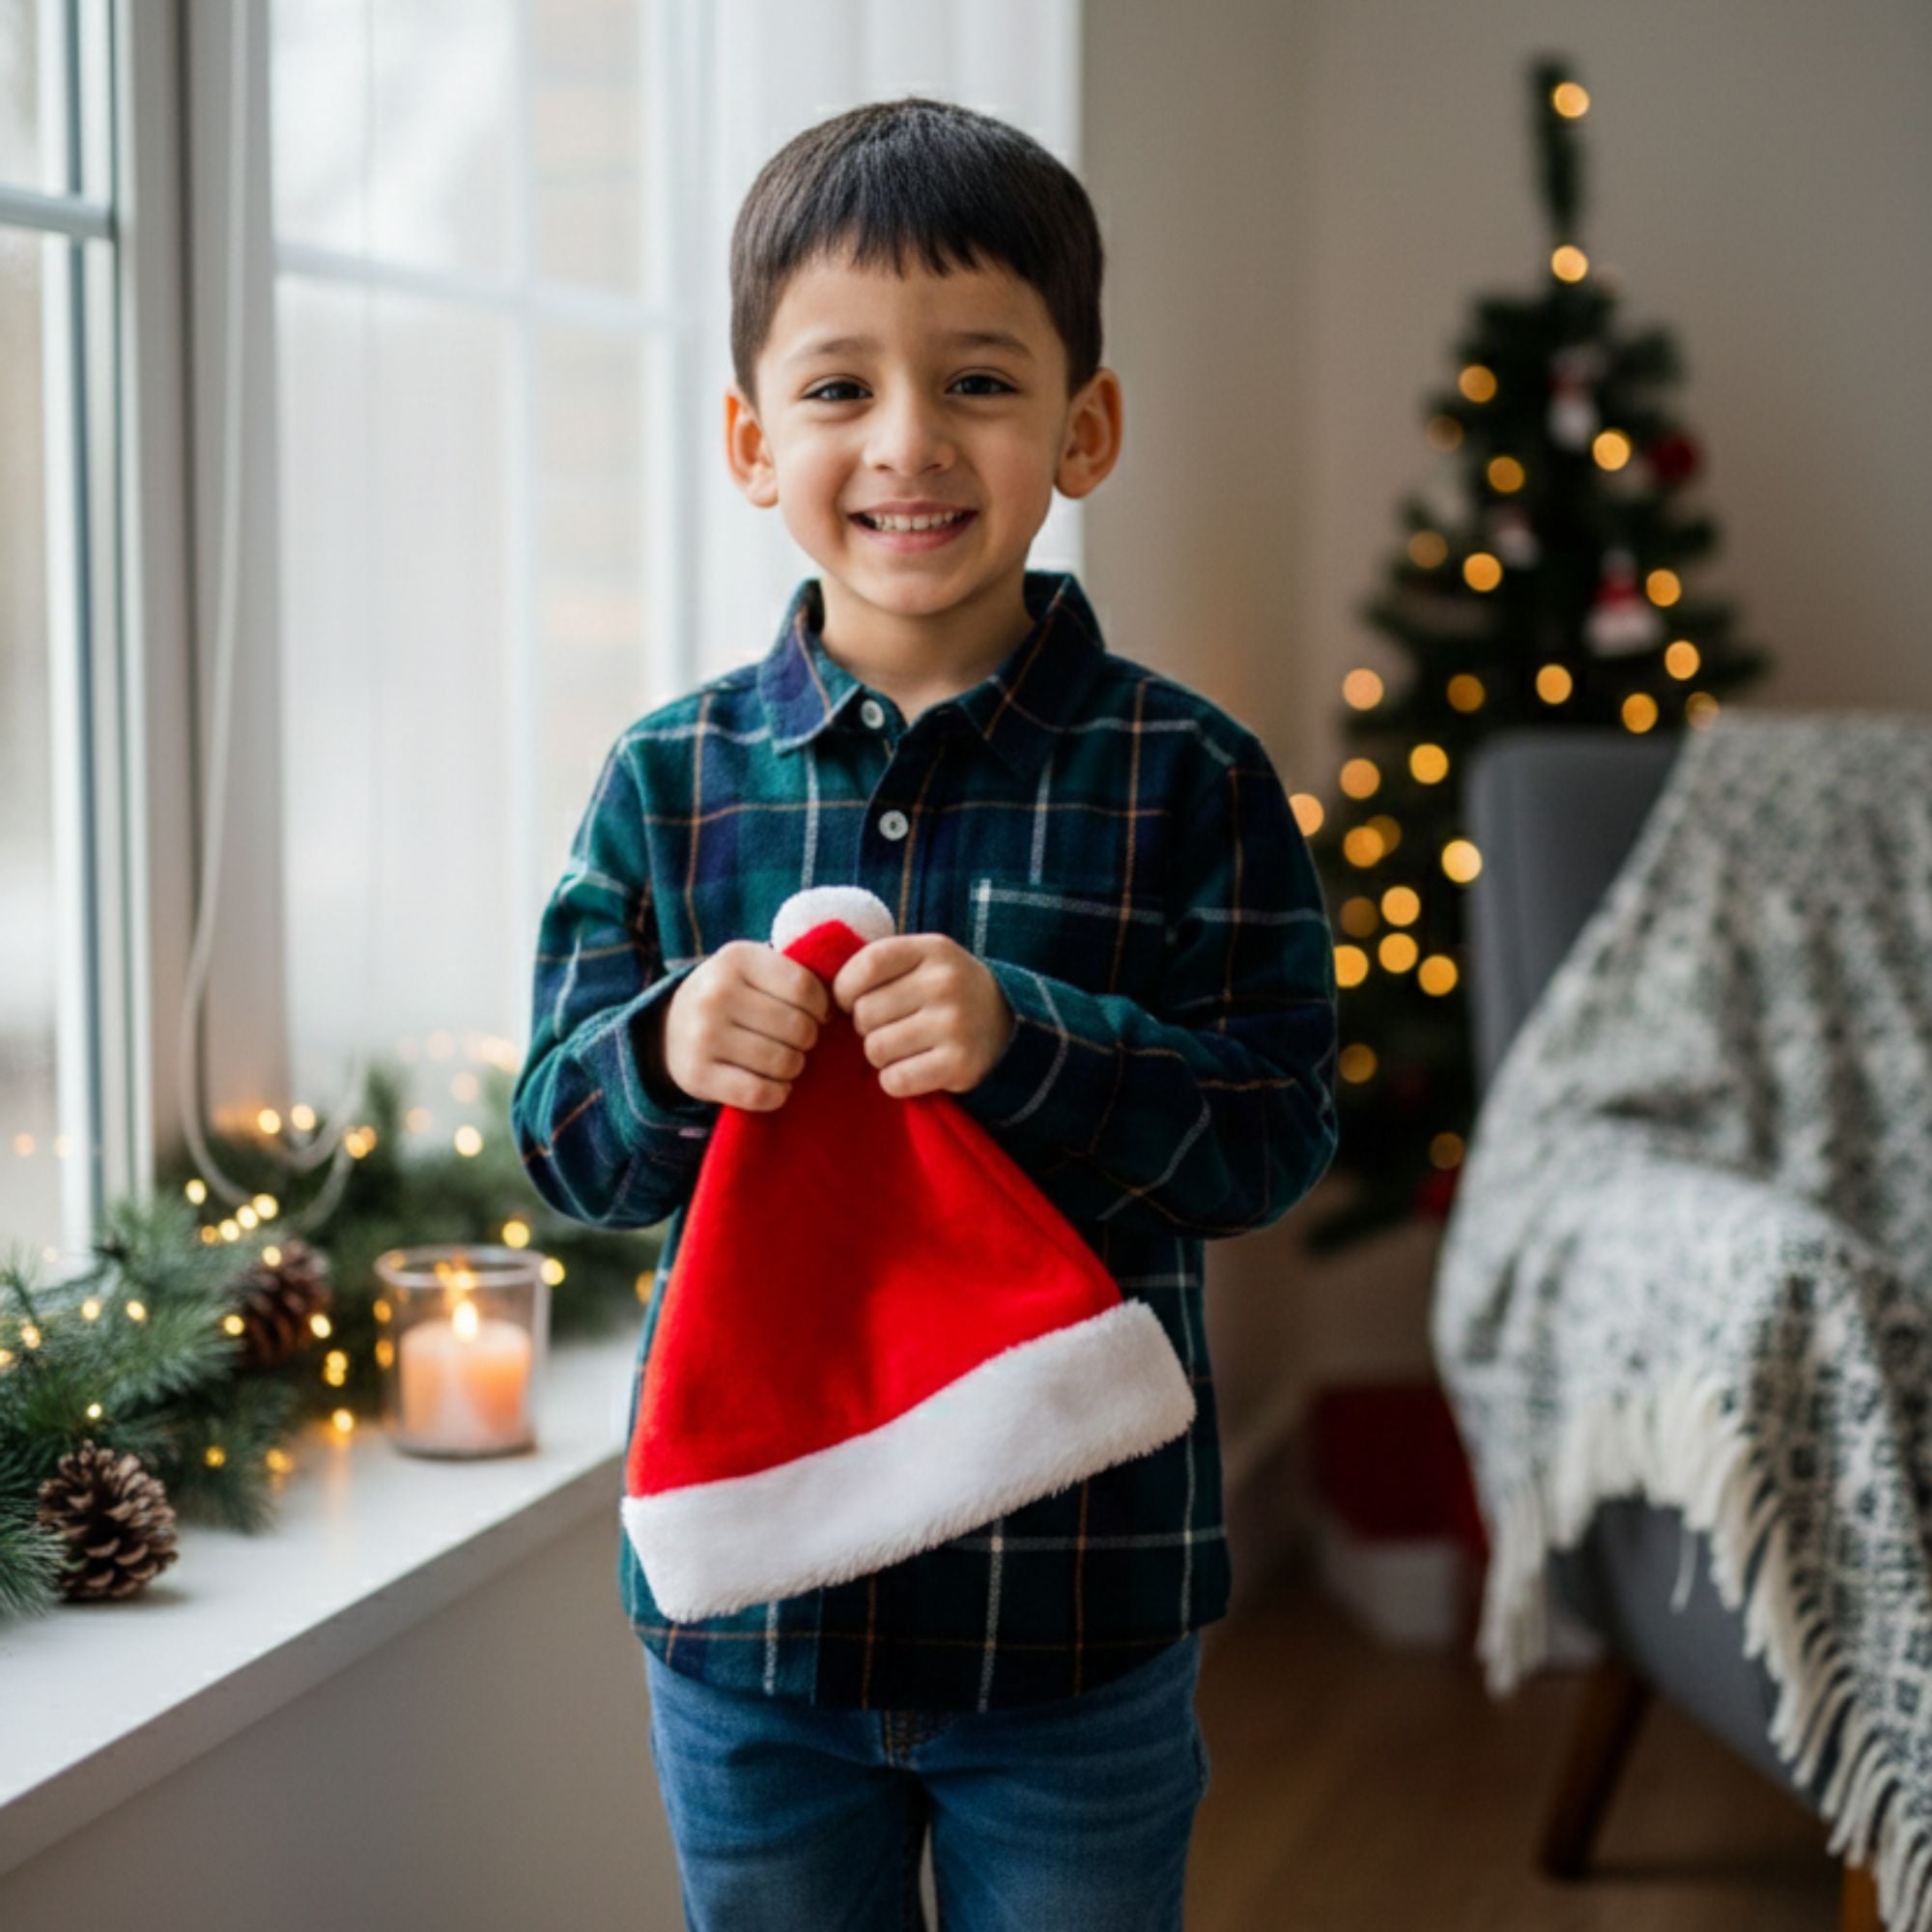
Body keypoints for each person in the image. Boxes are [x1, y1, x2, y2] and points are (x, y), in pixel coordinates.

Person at [510, 94, 1340, 1932]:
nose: (907, 444)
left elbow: (1277, 1129)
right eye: (836, 392)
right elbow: (564, 1142)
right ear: (747, 439)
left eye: (977, 381)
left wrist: (1031, 1039)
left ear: (1083, 426)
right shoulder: (666, 780)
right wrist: (658, 1051)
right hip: (752, 1647)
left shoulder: (1192, 779)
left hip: (1076, 1626)